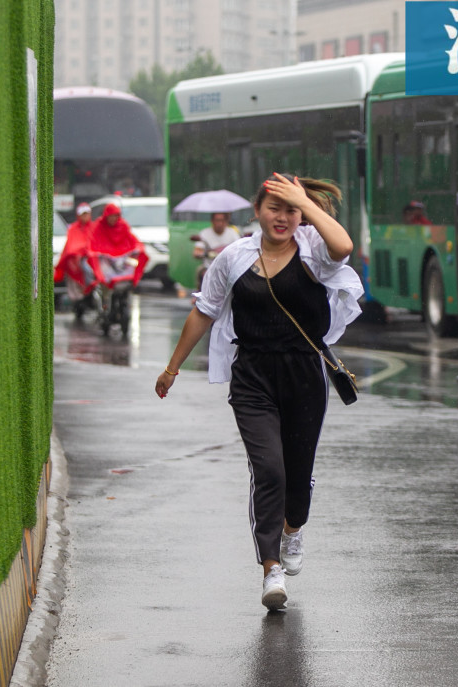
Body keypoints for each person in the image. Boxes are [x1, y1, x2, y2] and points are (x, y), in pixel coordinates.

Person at [155, 173, 363, 611]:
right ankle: (271, 570)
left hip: (305, 373)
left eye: (290, 210)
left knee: (298, 473)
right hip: (252, 377)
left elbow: (344, 248)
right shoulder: (234, 257)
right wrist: (172, 368)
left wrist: (302, 202)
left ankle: (293, 529)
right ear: (257, 212)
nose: (283, 218)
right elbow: (203, 312)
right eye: (275, 208)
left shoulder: (313, 252)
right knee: (269, 469)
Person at [90, 201, 149, 287]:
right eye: (111, 216)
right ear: (106, 216)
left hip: (122, 260)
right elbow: (93, 243)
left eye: (115, 216)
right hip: (105, 261)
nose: (113, 219)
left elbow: (132, 240)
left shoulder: (123, 225)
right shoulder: (99, 226)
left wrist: (139, 248)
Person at [54, 203, 101, 308]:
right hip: (79, 260)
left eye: (87, 214)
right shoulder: (73, 229)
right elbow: (72, 246)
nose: (85, 217)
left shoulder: (94, 227)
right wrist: (80, 252)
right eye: (83, 214)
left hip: (94, 259)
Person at [193, 212, 241, 291]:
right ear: (212, 221)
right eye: (217, 220)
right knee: (200, 271)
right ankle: (200, 294)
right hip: (209, 267)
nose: (219, 223)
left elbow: (239, 249)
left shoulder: (233, 233)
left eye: (222, 220)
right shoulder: (205, 234)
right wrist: (204, 253)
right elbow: (197, 251)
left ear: (226, 221)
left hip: (229, 268)